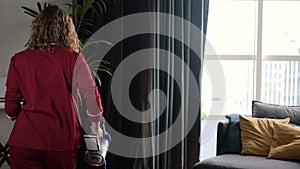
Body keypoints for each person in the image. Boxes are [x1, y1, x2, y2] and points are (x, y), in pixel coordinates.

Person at [5, 4, 104, 169]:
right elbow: (91, 93)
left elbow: (11, 104)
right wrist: (95, 124)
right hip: (63, 142)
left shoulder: (19, 59)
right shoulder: (74, 58)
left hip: (25, 141)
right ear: (66, 30)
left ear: (37, 29)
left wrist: (13, 114)